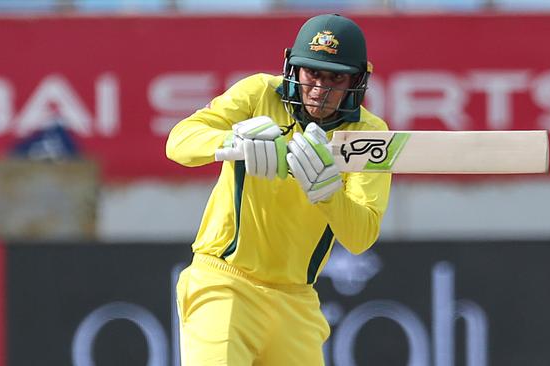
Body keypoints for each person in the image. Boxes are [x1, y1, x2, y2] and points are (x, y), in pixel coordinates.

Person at [166, 13, 391, 366]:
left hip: (296, 301)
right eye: (312, 73)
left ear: (357, 80)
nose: (320, 89)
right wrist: (232, 141)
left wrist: (328, 194)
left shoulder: (369, 134)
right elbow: (178, 142)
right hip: (225, 283)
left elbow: (361, 235)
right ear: (293, 68)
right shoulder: (259, 94)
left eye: (336, 77)